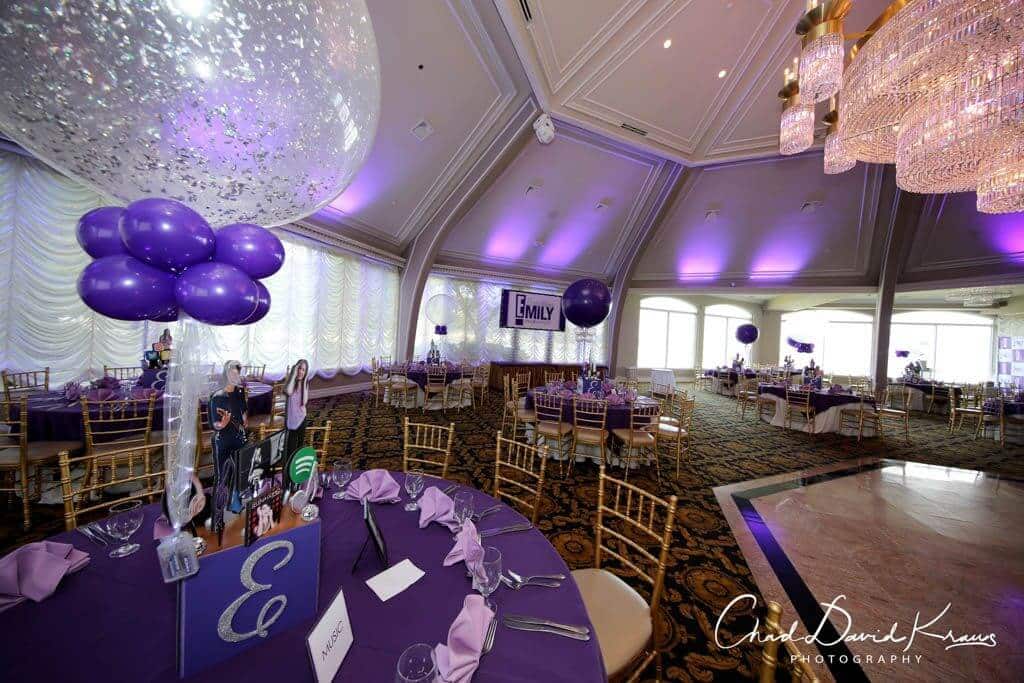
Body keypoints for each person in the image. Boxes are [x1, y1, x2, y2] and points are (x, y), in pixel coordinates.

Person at [210, 360, 248, 513]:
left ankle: (236, 503)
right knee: (223, 476)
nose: (234, 375)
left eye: (237, 373)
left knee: (241, 471)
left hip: (239, 438)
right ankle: (218, 510)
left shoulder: (240, 392)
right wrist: (223, 424)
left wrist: (245, 419)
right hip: (224, 441)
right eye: (232, 373)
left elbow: (243, 410)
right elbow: (215, 424)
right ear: (226, 374)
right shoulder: (217, 397)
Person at [282, 359, 310, 490]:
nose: (301, 372)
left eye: (303, 370)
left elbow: (304, 402)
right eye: (299, 368)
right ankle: (287, 482)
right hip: (291, 422)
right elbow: (287, 391)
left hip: (301, 419)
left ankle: (296, 480)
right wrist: (293, 375)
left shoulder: (305, 384)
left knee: (299, 450)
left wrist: (303, 382)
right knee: (289, 453)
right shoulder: (291, 383)